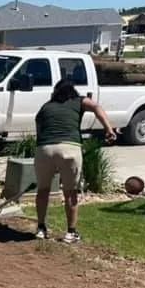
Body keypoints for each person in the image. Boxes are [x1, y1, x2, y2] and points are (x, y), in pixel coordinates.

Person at [34, 78, 117, 244]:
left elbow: (38, 125)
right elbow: (96, 107)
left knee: (43, 190)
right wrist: (109, 129)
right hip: (70, 148)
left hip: (44, 149)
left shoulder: (46, 106)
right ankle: (70, 233)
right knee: (70, 192)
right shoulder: (78, 100)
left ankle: (41, 228)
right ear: (72, 91)